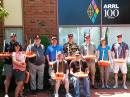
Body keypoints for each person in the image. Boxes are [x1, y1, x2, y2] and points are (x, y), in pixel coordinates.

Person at [3, 33, 20, 97]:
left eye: (14, 36)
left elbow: (20, 53)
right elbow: (4, 54)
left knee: (17, 79)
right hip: (8, 64)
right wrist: (6, 56)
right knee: (8, 78)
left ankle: (18, 93)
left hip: (17, 64)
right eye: (12, 37)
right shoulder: (7, 45)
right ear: (10, 37)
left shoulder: (18, 45)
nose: (13, 38)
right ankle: (6, 93)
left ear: (16, 37)